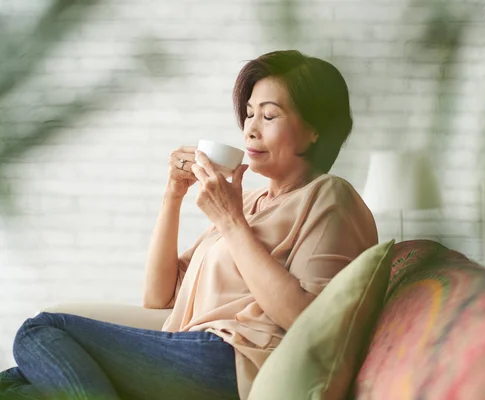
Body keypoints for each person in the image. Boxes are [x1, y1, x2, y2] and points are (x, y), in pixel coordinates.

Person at [0, 50, 378, 400]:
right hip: (186, 347)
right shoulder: (248, 200)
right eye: (248, 113)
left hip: (231, 360)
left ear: (316, 130)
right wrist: (174, 195)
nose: (250, 129)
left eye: (269, 115)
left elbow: (305, 319)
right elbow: (159, 299)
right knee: (17, 383)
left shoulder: (329, 196)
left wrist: (230, 221)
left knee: (40, 331)